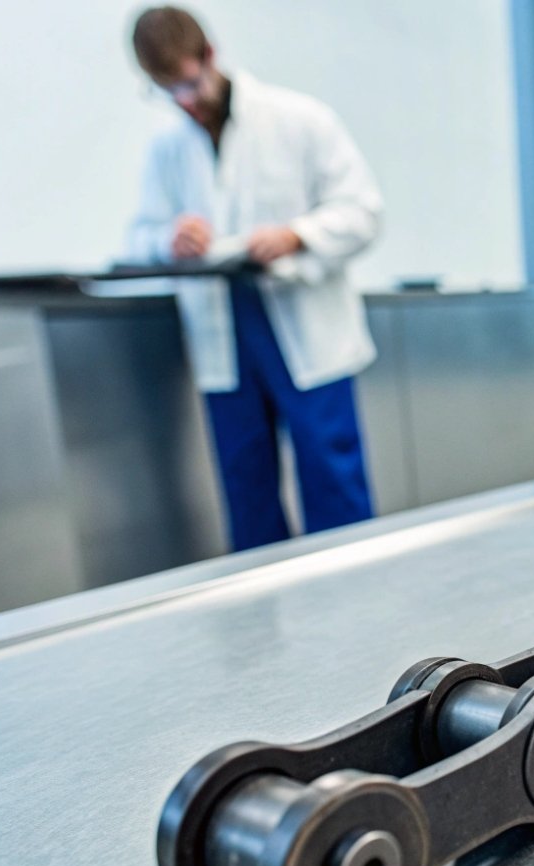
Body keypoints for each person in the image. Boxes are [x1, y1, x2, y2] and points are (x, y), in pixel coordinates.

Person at [125, 6, 381, 551]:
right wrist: (171, 238)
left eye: (190, 83)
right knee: (247, 489)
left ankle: (355, 594)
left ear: (210, 55)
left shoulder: (299, 119)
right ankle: (266, 604)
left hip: (301, 317)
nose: (185, 101)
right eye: (168, 91)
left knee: (332, 478)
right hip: (223, 329)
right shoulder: (168, 148)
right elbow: (138, 236)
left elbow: (363, 212)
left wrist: (297, 235)